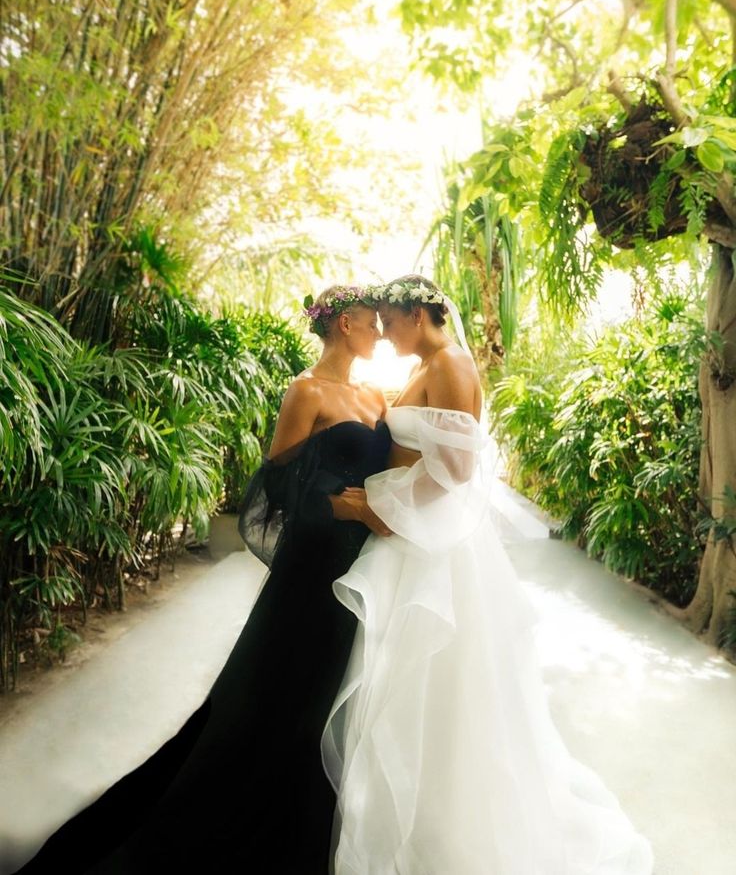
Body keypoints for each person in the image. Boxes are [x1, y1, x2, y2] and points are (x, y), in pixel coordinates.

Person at [8, 285, 392, 875]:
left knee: (337, 692)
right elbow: (276, 486)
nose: (380, 331)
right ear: (344, 324)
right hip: (314, 566)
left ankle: (314, 815)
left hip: (364, 565)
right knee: (280, 694)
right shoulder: (305, 390)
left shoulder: (375, 394)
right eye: (372, 322)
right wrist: (339, 507)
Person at [321, 274, 655, 874]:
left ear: (419, 315)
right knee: (409, 683)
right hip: (414, 536)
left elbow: (455, 470)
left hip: (428, 543)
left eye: (391, 324)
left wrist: (377, 511)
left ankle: (447, 831)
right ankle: (410, 815)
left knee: (435, 681)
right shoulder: (430, 363)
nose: (386, 335)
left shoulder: (449, 364)